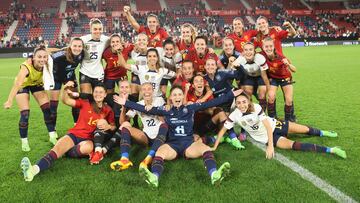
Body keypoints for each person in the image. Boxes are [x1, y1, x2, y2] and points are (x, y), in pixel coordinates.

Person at [114, 86, 244, 187]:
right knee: (159, 153)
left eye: (179, 94)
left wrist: (230, 95)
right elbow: (145, 109)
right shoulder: (166, 110)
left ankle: (214, 174)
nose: (177, 97)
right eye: (174, 94)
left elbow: (211, 103)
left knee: (206, 149)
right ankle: (154, 178)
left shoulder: (191, 107)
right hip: (172, 145)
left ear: (183, 97)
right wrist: (125, 102)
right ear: (171, 97)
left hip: (189, 144)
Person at [20, 82, 115, 181]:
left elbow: (113, 127)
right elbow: (66, 100)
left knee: (88, 148)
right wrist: (64, 88)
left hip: (88, 139)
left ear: (105, 94)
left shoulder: (108, 110)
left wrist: (108, 125)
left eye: (101, 92)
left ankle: (67, 151)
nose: (98, 94)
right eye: (96, 92)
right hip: (74, 135)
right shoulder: (85, 103)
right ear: (93, 93)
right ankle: (33, 170)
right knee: (55, 151)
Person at [212, 92, 346, 159]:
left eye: (244, 102)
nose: (241, 105)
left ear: (249, 101)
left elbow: (268, 127)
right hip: (266, 138)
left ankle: (324, 132)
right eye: (238, 102)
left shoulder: (256, 108)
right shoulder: (235, 115)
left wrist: (270, 147)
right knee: (295, 145)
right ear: (236, 104)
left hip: (275, 126)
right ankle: (331, 150)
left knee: (305, 130)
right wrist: (214, 146)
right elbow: (223, 130)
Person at [4, 46, 57, 151]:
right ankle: (24, 142)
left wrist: (64, 47)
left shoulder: (48, 62)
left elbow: (49, 50)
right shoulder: (26, 66)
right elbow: (18, 83)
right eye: (39, 57)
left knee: (47, 109)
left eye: (44, 57)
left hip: (36, 84)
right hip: (23, 86)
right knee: (25, 114)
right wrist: (10, 100)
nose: (42, 59)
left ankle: (52, 136)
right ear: (33, 57)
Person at [110, 83, 168, 171]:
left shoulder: (159, 100)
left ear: (153, 91)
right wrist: (124, 107)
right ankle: (124, 159)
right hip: (146, 137)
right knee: (125, 127)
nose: (147, 91)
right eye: (144, 89)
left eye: (149, 89)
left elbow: (165, 121)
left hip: (161, 135)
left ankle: (150, 157)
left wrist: (154, 109)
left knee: (164, 125)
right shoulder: (138, 104)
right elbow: (123, 122)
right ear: (141, 91)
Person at [50, 37, 84, 126]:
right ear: (70, 46)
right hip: (56, 78)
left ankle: (76, 124)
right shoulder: (61, 56)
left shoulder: (82, 54)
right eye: (75, 46)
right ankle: (53, 131)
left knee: (76, 100)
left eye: (80, 46)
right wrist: (31, 57)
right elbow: (47, 57)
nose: (77, 48)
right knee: (54, 105)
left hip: (70, 77)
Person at [262, 37, 296, 121]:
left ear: (273, 47)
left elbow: (294, 70)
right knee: (271, 97)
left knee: (289, 100)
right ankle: (272, 119)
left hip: (285, 78)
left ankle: (288, 121)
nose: (268, 48)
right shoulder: (261, 55)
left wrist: (288, 64)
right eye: (266, 46)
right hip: (273, 79)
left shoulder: (281, 57)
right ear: (263, 47)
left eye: (270, 46)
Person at [232, 42, 270, 111]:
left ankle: (262, 113)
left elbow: (264, 76)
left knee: (262, 93)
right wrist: (240, 87)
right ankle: (250, 111)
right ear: (243, 52)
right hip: (248, 76)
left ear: (254, 51)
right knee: (247, 93)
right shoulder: (239, 60)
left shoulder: (260, 58)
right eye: (246, 50)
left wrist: (269, 90)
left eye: (250, 50)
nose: (248, 52)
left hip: (260, 76)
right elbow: (236, 76)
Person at [80, 18, 109, 95]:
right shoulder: (83, 40)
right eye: (95, 29)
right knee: (86, 97)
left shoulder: (106, 39)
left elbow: (118, 43)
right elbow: (72, 47)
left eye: (100, 29)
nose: (98, 31)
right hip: (85, 72)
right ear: (90, 29)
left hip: (98, 73)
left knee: (98, 98)